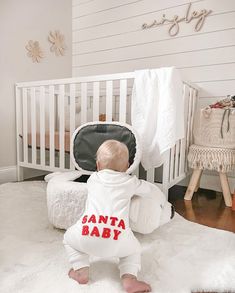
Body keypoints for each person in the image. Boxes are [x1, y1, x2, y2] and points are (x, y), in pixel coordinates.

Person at [63, 139, 174, 293]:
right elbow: (151, 190)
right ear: (127, 166)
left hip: (86, 233)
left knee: (69, 239)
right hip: (117, 238)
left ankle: (80, 269)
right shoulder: (130, 182)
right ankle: (129, 279)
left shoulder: (93, 179)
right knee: (133, 250)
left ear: (98, 166)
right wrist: (162, 202)